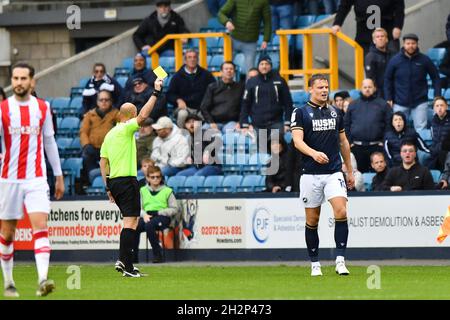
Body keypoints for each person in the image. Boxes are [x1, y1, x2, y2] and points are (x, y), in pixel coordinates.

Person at [0, 62, 65, 297]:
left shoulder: (42, 108)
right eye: (15, 79)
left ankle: (42, 279)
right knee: (7, 233)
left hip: (36, 177)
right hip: (8, 179)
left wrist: (58, 175)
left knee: (40, 226)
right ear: (12, 82)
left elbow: (49, 142)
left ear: (32, 81)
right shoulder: (3, 109)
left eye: (23, 78)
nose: (18, 82)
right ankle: (8, 282)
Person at [291, 74, 355, 277]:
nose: (324, 90)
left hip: (333, 172)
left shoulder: (336, 112)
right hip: (310, 174)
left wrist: (349, 169)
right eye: (320, 87)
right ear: (311, 89)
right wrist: (313, 153)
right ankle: (315, 263)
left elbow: (344, 142)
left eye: (326, 87)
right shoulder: (300, 112)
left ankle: (340, 260)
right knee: (312, 219)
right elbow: (297, 141)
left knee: (341, 211)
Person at [100, 77, 164, 278]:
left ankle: (126, 262)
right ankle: (125, 264)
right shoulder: (126, 128)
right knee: (131, 222)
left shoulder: (109, 135)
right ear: (130, 116)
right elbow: (144, 115)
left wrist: (107, 187)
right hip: (127, 181)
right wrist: (155, 93)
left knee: (131, 220)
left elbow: (103, 162)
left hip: (114, 182)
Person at [384, 33, 441, 131]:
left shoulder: (424, 60)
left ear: (417, 44)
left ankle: (420, 146)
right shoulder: (395, 60)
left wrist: (437, 95)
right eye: (408, 43)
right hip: (399, 102)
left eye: (413, 43)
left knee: (421, 129)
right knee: (398, 129)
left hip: (420, 102)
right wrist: (388, 97)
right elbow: (387, 79)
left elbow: (436, 77)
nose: (411, 46)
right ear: (404, 44)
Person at [240, 55, 293, 147]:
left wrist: (287, 122)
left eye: (267, 64)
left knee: (276, 152)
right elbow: (245, 104)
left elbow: (288, 103)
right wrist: (244, 124)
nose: (264, 66)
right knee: (262, 152)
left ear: (271, 66)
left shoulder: (280, 81)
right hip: (258, 124)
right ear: (258, 66)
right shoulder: (252, 82)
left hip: (276, 123)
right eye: (262, 64)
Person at [344, 79, 392, 173]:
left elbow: (389, 125)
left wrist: (383, 141)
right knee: (359, 176)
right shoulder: (353, 105)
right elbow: (346, 124)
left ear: (374, 88)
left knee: (380, 175)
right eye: (365, 87)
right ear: (361, 88)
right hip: (357, 147)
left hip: (377, 146)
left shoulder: (383, 105)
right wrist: (350, 142)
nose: (367, 89)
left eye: (369, 87)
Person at [134, 165, 178, 263]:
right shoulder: (142, 190)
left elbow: (174, 209)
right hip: (147, 216)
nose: (155, 179)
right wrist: (144, 215)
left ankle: (157, 255)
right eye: (153, 177)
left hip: (162, 216)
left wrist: (159, 212)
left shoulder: (167, 191)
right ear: (147, 178)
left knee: (149, 225)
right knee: (134, 226)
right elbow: (138, 207)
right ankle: (133, 257)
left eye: (158, 177)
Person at [332, 0, 405, 55]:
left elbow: (399, 8)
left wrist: (398, 26)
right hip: (364, 36)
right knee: (368, 67)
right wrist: (337, 23)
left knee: (393, 65)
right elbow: (344, 6)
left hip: (388, 34)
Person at [218, 0, 271, 73]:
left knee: (250, 71)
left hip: (251, 42)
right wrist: (226, 22)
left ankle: (249, 85)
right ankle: (224, 84)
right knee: (226, 67)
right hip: (233, 39)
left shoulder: (263, 1)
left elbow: (267, 21)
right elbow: (221, 13)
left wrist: (266, 39)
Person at [167, 49, 216, 128]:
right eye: (189, 57)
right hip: (184, 108)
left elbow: (214, 90)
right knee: (182, 114)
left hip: (202, 108)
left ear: (197, 60)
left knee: (205, 117)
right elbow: (170, 94)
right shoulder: (177, 76)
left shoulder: (206, 75)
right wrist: (178, 100)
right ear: (185, 61)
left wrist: (206, 104)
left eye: (194, 57)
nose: (192, 59)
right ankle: (182, 137)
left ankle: (198, 139)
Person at [80, 90, 119, 185]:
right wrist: (86, 145)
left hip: (110, 149)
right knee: (86, 156)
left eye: (106, 100)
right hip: (93, 148)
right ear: (97, 102)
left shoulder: (116, 114)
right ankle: (91, 182)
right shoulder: (90, 115)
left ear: (111, 101)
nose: (104, 102)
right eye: (101, 100)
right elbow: (83, 132)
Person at [200, 61, 244, 132]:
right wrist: (211, 122)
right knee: (200, 134)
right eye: (226, 69)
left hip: (231, 122)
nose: (229, 71)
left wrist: (240, 122)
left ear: (234, 72)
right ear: (221, 72)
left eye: (231, 69)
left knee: (232, 134)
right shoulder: (212, 87)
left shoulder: (240, 87)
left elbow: (244, 107)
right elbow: (204, 107)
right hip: (213, 122)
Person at [364, 28, 395, 99]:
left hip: (393, 93)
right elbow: (371, 79)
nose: (380, 38)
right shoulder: (370, 57)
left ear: (386, 39)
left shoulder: (393, 54)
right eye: (377, 37)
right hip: (379, 96)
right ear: (374, 41)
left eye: (382, 36)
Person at [429, 97, 450, 171]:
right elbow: (434, 139)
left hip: (446, 152)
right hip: (436, 151)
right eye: (437, 106)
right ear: (434, 108)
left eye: (442, 105)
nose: (439, 108)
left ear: (446, 106)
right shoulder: (433, 121)